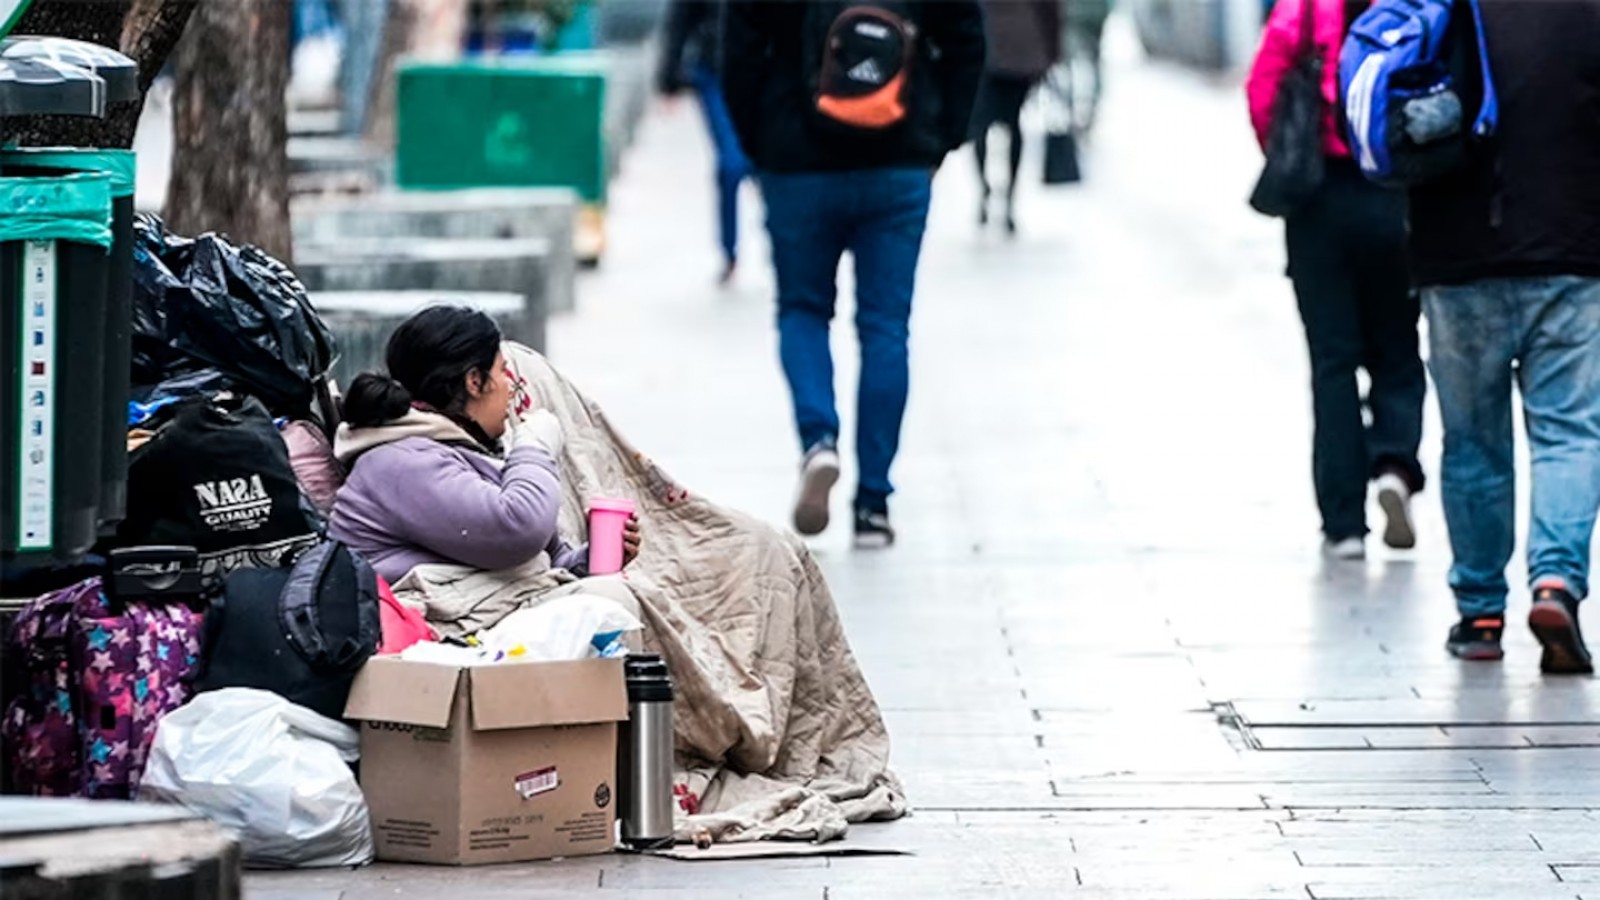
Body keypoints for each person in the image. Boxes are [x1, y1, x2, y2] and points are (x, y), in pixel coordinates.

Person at [722, 0, 985, 547]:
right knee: (886, 326)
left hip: (795, 158)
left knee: (802, 310)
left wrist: (760, 143)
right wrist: (942, 136)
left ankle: (819, 439)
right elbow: (966, 39)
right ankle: (873, 504)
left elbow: (740, 49)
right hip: (899, 157)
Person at [1407, 1, 1600, 673]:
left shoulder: (1437, 9)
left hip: (1455, 258)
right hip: (1572, 252)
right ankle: (1556, 584)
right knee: (1569, 432)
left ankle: (1481, 614)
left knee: (1472, 442)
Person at [1246, 0, 1425, 563]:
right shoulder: (1413, 10)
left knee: (1332, 361)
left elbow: (1262, 87)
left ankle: (1344, 523)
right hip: (1395, 197)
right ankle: (1395, 464)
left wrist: (1290, 156)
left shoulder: (1301, 10)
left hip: (1319, 200)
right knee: (1398, 350)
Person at [328, 306, 641, 583]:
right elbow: (518, 527)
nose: (512, 387)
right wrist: (534, 447)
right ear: (474, 381)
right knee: (608, 603)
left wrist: (594, 558)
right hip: (414, 633)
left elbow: (549, 563)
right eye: (503, 371)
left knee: (610, 596)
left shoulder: (459, 448)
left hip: (469, 619)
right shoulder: (399, 462)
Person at [657, 0, 751, 284]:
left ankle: (785, 244)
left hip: (760, 70)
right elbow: (680, 20)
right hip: (714, 71)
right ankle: (729, 251)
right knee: (732, 164)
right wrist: (669, 79)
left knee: (763, 163)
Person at [973, 0, 1060, 234]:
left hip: (985, 48)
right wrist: (1052, 54)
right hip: (1021, 51)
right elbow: (1050, 9)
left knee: (981, 125)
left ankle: (985, 189)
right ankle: (1009, 197)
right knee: (1013, 124)